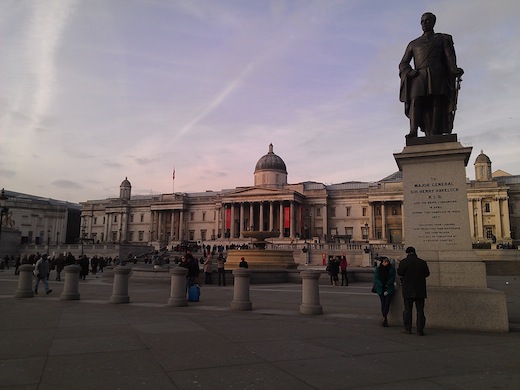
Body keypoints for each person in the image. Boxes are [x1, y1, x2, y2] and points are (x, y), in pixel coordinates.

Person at [399, 12, 464, 138]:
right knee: (415, 100)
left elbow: (449, 57)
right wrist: (408, 71)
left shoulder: (442, 39)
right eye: (422, 21)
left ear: (433, 22)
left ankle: (435, 130)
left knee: (436, 100)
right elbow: (403, 63)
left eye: (427, 21)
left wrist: (454, 69)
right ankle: (413, 131)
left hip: (437, 73)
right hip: (419, 75)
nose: (424, 23)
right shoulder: (414, 43)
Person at [397, 246, 430, 335]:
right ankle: (420, 330)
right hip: (420, 289)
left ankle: (407, 328)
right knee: (420, 310)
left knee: (408, 310)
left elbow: (400, 273)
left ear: (407, 253)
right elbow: (427, 274)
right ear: (415, 252)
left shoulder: (404, 262)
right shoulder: (422, 262)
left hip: (408, 289)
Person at [374, 256, 396, 327]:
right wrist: (381, 284)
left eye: (386, 262)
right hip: (381, 288)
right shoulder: (378, 269)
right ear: (382, 262)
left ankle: (384, 317)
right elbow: (376, 278)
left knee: (387, 303)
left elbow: (392, 279)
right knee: (383, 303)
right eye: (384, 262)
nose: (385, 263)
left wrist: (386, 284)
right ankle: (384, 317)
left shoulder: (392, 269)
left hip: (388, 288)